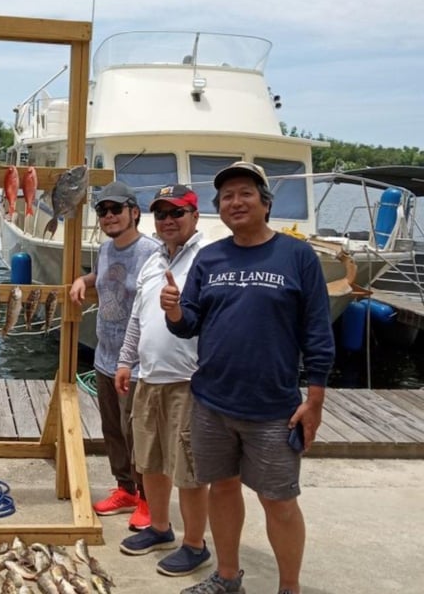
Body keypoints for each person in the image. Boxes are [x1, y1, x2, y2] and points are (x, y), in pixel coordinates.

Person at [161, 162, 335, 594]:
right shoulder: (210, 257)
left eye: (245, 193)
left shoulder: (297, 256)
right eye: (226, 197)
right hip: (211, 402)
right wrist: (175, 311)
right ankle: (227, 577)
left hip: (273, 407)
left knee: (279, 500)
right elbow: (191, 325)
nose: (235, 202)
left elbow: (317, 331)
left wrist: (314, 400)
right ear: (218, 208)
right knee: (221, 488)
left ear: (265, 202)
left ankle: (289, 587)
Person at [115, 185, 210, 577]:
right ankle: (159, 527)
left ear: (195, 216)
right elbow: (138, 317)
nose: (168, 220)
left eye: (177, 213)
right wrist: (125, 360)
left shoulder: (209, 258)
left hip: (189, 380)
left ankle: (195, 544)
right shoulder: (153, 259)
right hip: (148, 376)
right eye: (162, 213)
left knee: (187, 467)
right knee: (150, 458)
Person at [69, 181, 160, 530]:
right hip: (104, 357)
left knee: (139, 433)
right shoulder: (105, 249)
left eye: (116, 209)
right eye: (103, 211)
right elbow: (104, 276)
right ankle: (124, 488)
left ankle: (148, 498)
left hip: (137, 364)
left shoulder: (152, 251)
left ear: (134, 212)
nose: (109, 216)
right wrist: (84, 279)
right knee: (112, 430)